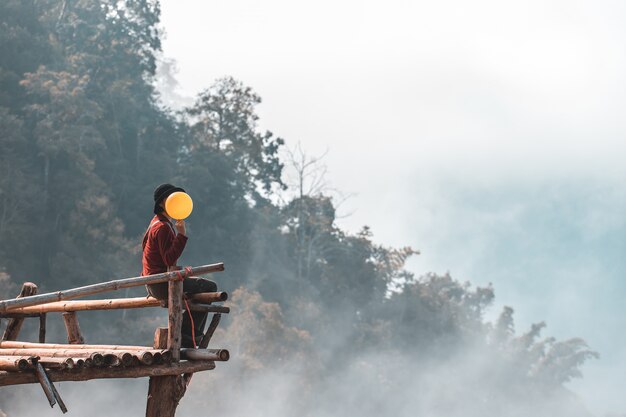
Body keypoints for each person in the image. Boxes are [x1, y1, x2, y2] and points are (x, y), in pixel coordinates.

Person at [142, 183, 217, 348]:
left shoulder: (156, 223)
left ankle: (188, 332)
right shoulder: (162, 227)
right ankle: (188, 334)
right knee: (210, 287)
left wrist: (180, 271)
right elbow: (169, 260)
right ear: (163, 203)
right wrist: (181, 235)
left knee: (199, 288)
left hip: (155, 282)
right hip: (161, 284)